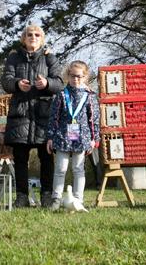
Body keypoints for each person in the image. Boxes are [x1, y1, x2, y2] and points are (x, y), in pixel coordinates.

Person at [1, 24, 63, 208]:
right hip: (20, 114)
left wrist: (47, 83)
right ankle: (21, 196)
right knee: (20, 159)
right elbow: (5, 81)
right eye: (29, 34)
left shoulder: (50, 58)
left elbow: (60, 83)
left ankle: (46, 195)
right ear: (23, 38)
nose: (33, 37)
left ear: (41, 39)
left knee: (46, 158)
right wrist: (18, 84)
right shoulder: (13, 58)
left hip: (43, 115)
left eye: (37, 35)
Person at [45, 60, 99, 210]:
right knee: (60, 168)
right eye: (72, 76)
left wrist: (95, 139)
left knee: (78, 169)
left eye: (79, 76)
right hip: (62, 136)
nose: (76, 79)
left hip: (82, 138)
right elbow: (53, 117)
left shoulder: (90, 96)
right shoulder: (61, 95)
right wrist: (50, 136)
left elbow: (93, 119)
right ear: (68, 76)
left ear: (85, 77)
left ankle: (78, 199)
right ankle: (56, 198)